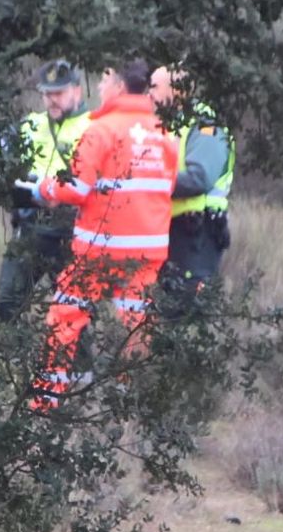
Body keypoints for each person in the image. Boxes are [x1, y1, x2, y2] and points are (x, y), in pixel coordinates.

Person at [22, 60, 177, 408]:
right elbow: (168, 185)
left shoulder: (101, 130)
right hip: (149, 250)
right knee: (138, 323)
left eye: (105, 80)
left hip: (101, 249)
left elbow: (75, 188)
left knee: (66, 315)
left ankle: (47, 400)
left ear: (119, 86)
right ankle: (141, 402)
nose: (101, 88)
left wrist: (43, 189)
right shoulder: (164, 131)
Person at [0, 59, 91, 322]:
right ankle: (14, 360)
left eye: (58, 93)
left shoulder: (93, 127)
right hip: (30, 227)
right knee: (7, 304)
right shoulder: (31, 124)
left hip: (71, 232)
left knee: (73, 315)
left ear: (77, 91)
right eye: (47, 94)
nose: (52, 100)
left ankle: (79, 364)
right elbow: (0, 161)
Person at [150, 66, 234, 316]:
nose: (148, 94)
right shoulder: (169, 126)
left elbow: (200, 178)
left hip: (196, 239)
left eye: (154, 87)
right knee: (163, 320)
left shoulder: (206, 128)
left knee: (185, 318)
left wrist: (149, 184)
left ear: (178, 91)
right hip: (171, 236)